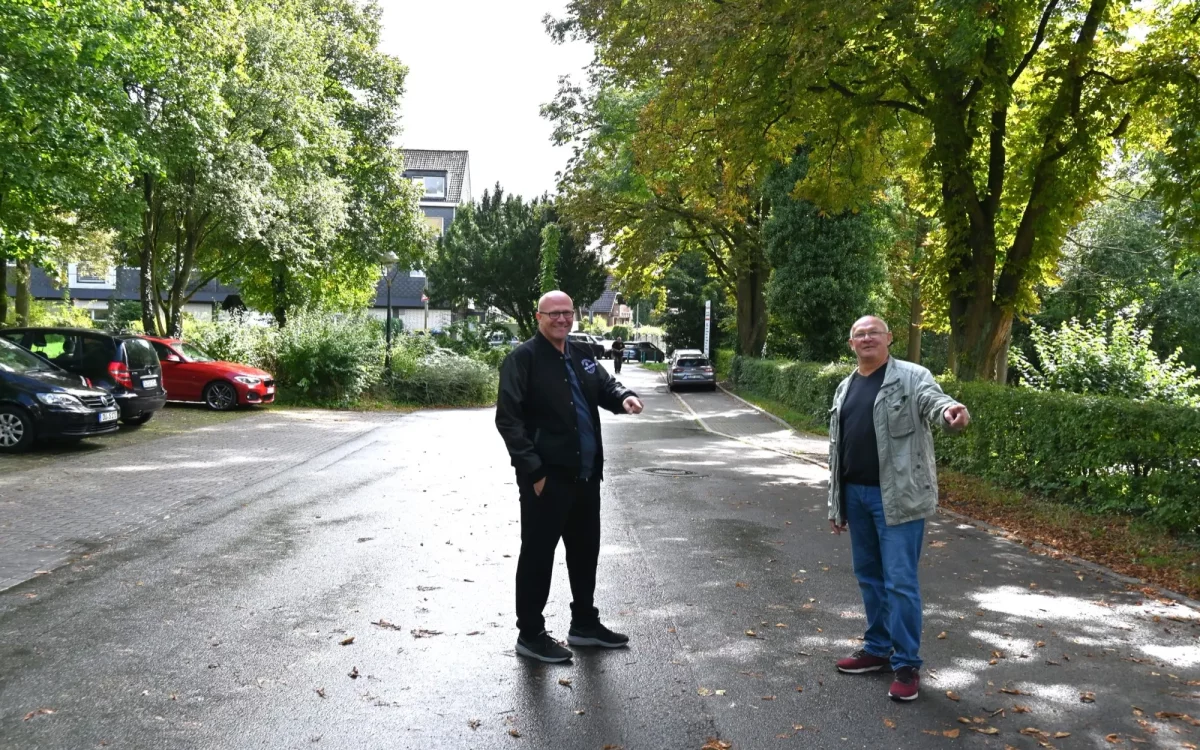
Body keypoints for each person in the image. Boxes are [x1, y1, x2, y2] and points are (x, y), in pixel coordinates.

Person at [495, 291, 645, 663]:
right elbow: (508, 420)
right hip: (547, 480)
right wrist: (534, 470)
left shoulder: (581, 354)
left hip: (585, 476)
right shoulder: (522, 360)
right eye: (554, 314)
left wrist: (623, 396)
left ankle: (584, 625)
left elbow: (605, 386)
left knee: (584, 552)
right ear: (539, 317)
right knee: (538, 556)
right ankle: (530, 633)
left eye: (568, 313)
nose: (563, 319)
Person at [828, 315, 970, 701]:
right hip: (856, 496)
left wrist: (949, 412)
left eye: (874, 332)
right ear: (851, 343)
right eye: (859, 333)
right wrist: (836, 502)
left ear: (889, 338)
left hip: (899, 498)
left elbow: (933, 401)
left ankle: (906, 663)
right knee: (869, 578)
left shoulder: (911, 376)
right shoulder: (845, 387)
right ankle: (877, 649)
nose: (867, 338)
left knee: (900, 582)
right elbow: (838, 450)